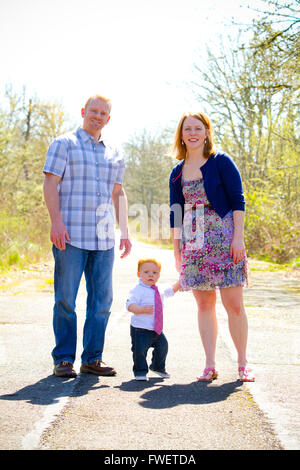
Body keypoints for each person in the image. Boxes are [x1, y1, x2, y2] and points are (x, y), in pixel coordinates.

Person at [43, 94, 132, 378]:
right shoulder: (63, 144)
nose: (97, 116)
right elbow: (50, 183)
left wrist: (125, 232)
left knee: (102, 302)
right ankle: (64, 359)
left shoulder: (115, 152)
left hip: (103, 239)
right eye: (93, 111)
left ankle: (92, 358)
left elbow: (118, 193)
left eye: (103, 113)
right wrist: (55, 222)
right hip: (69, 236)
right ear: (83, 111)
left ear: (108, 118)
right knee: (66, 299)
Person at [169, 111, 254, 382]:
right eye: (187, 129)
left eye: (197, 128)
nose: (192, 133)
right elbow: (175, 213)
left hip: (225, 238)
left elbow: (238, 201)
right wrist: (177, 251)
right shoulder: (177, 172)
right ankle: (209, 364)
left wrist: (238, 238)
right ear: (181, 135)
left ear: (206, 132)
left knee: (234, 304)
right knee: (204, 303)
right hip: (194, 243)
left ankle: (242, 363)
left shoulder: (221, 161)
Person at [126, 259, 180, 381]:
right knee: (140, 351)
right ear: (138, 274)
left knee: (163, 346)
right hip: (140, 329)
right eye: (146, 272)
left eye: (155, 273)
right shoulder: (137, 290)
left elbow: (171, 290)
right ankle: (140, 371)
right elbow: (129, 305)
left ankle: (157, 366)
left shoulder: (159, 289)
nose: (151, 275)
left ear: (159, 275)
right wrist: (140, 309)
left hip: (156, 328)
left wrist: (181, 280)